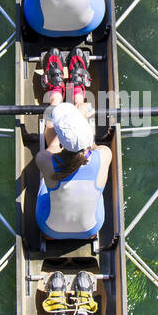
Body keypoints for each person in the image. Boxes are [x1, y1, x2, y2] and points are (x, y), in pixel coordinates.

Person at [34, 100, 111, 241]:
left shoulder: (43, 159)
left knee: (45, 180)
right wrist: (82, 119)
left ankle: (54, 101)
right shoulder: (105, 154)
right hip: (90, 230)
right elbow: (92, 147)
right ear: (87, 132)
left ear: (62, 143)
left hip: (50, 231)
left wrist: (53, 126)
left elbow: (52, 148)